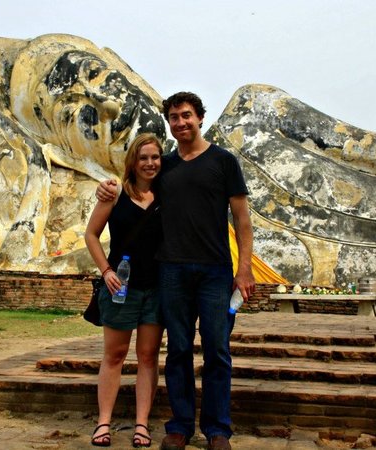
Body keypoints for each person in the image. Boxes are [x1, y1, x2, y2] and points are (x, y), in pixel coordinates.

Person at [97, 92, 255, 450]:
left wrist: (244, 270)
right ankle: (180, 425)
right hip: (171, 270)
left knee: (217, 349)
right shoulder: (165, 165)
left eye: (186, 115)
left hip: (215, 270)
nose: (180, 122)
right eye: (174, 117)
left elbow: (243, 221)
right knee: (179, 349)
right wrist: (103, 188)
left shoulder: (223, 161)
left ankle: (217, 430)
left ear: (200, 118)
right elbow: (132, 182)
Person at [84, 133, 165, 448]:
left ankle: (142, 424)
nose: (149, 163)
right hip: (121, 287)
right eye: (143, 157)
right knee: (115, 354)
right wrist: (105, 270)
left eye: (155, 158)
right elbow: (91, 234)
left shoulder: (167, 195)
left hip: (156, 288)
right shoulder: (115, 194)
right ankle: (104, 421)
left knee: (148, 357)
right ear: (133, 160)